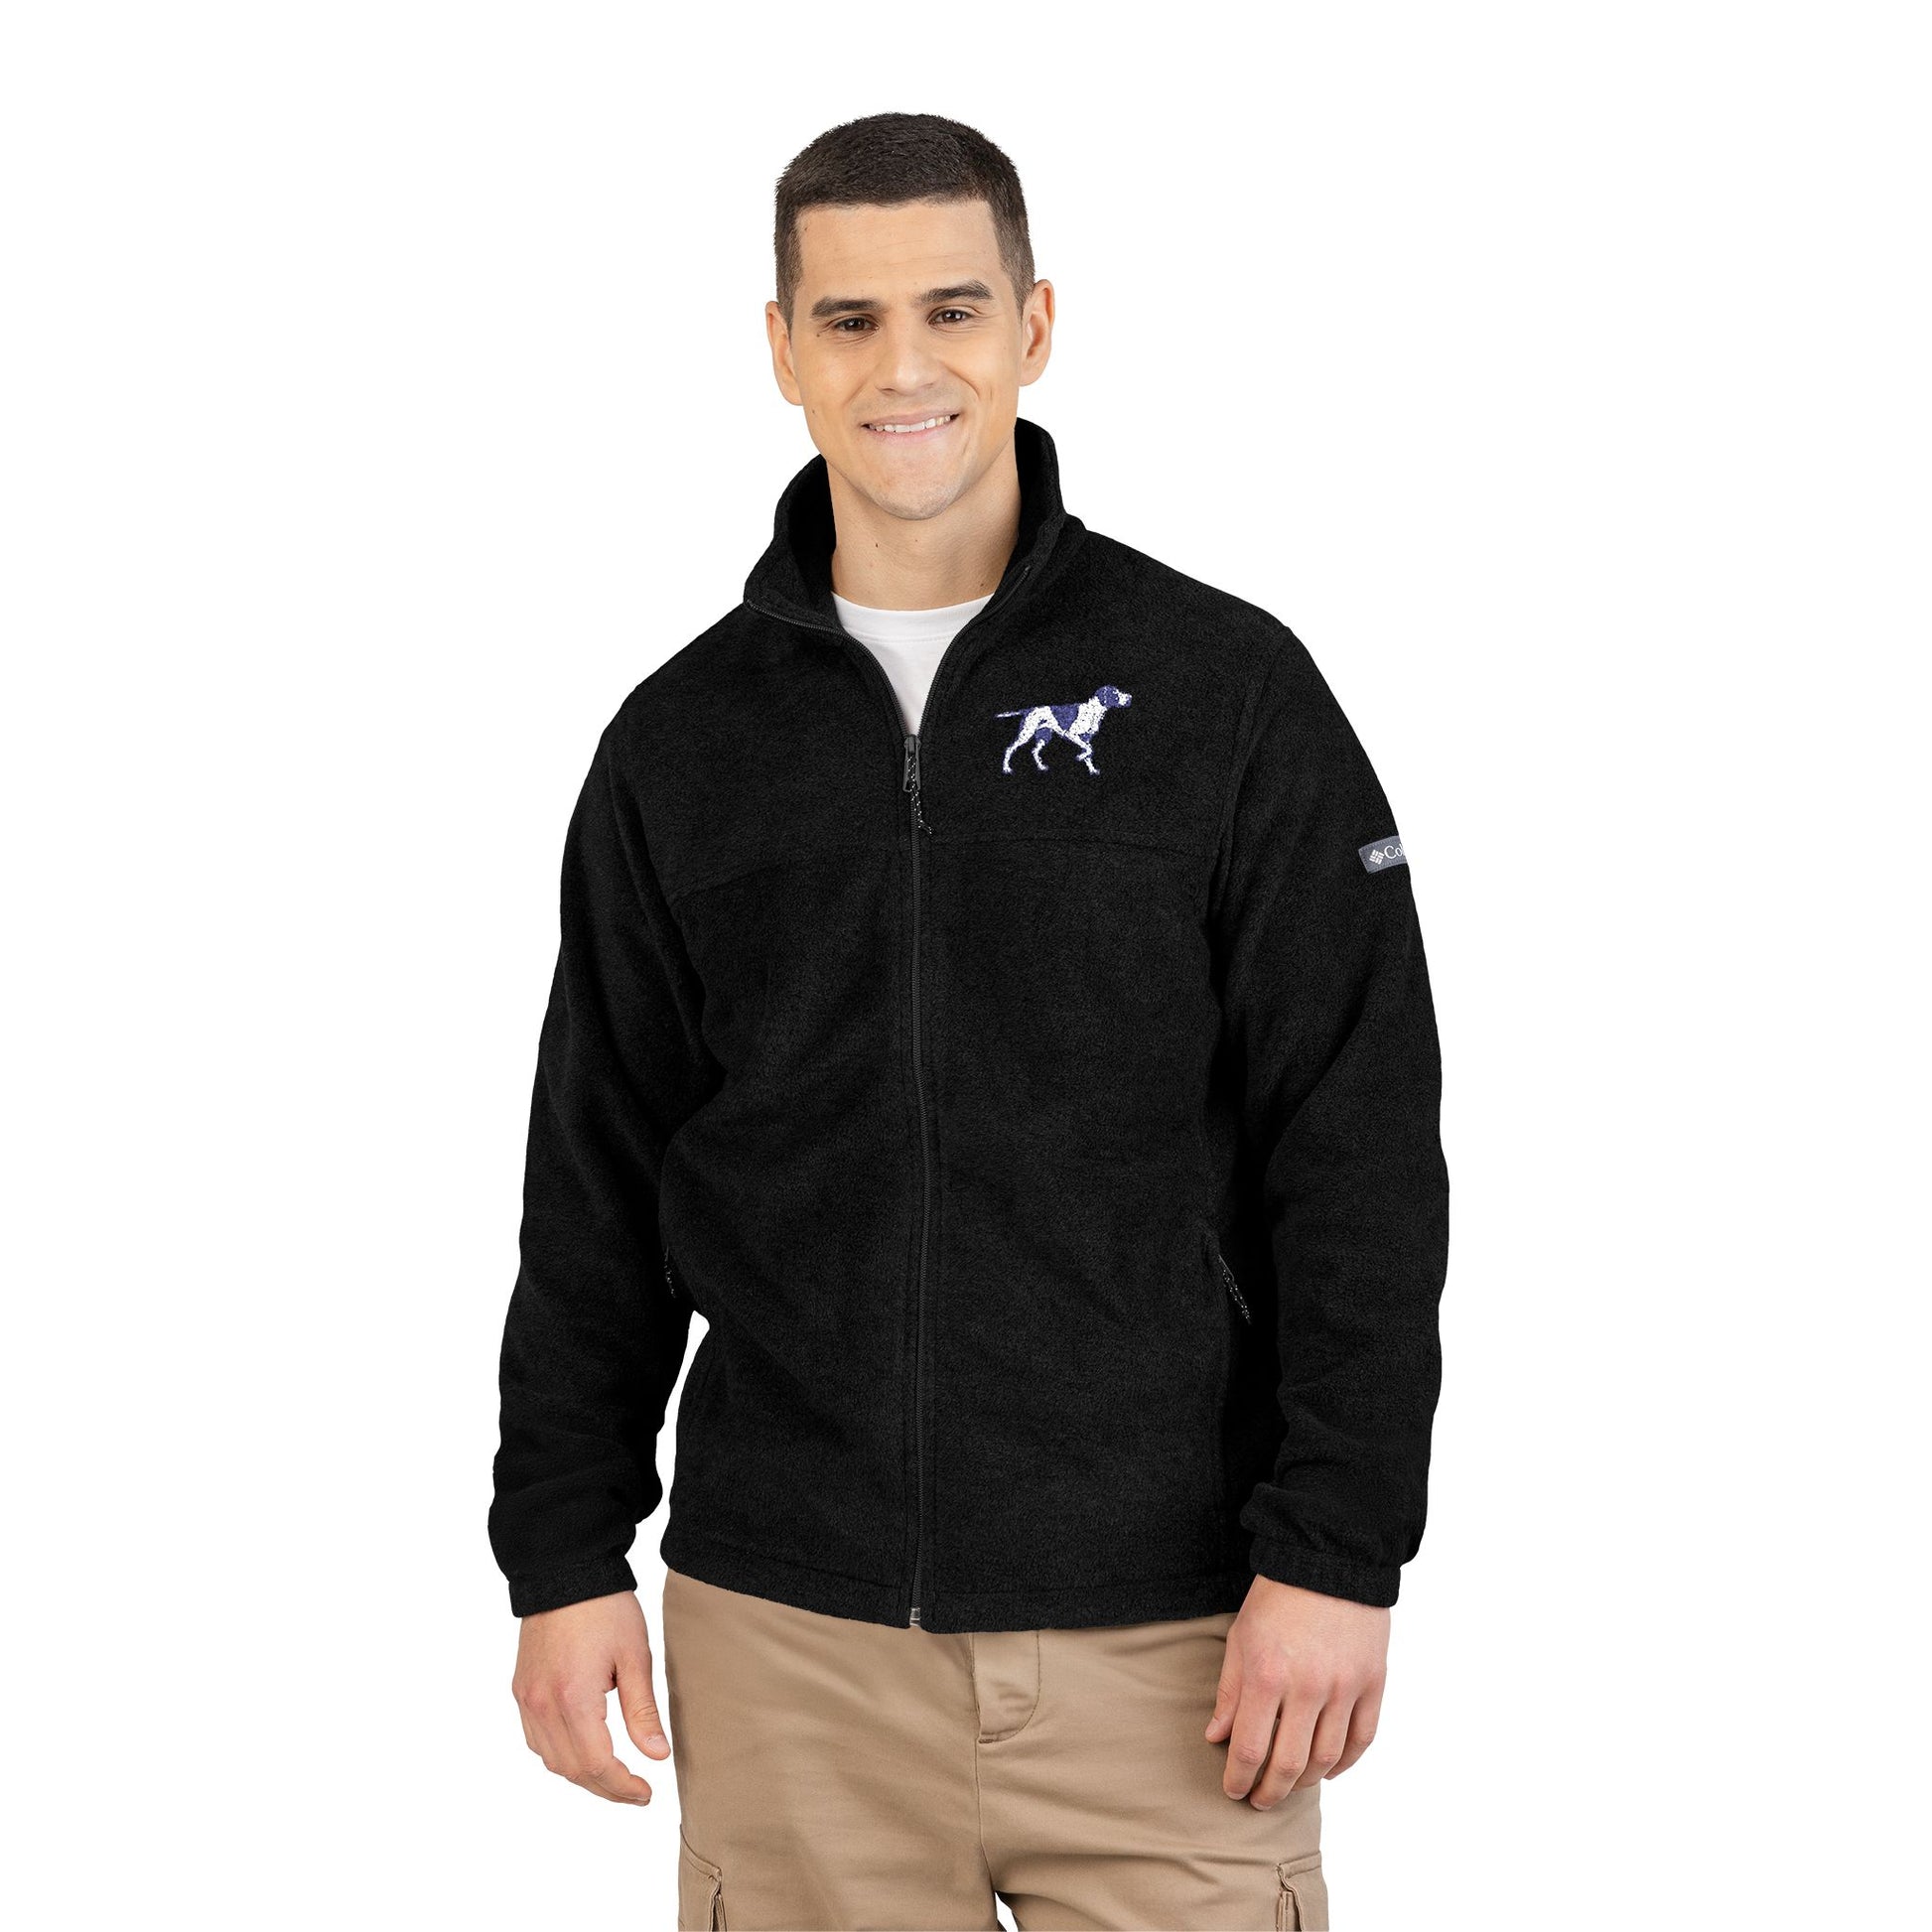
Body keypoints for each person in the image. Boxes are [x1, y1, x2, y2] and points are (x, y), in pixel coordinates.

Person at [490, 111, 1449, 1931]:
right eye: (847, 320)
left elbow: (1357, 1142)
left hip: (1174, 1643)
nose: (903, 367)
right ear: (780, 349)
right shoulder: (681, 746)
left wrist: (1337, 1547)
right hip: (792, 1648)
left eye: (951, 309)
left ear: (1034, 325)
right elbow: (595, 1174)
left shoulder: (1223, 692)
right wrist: (559, 1547)